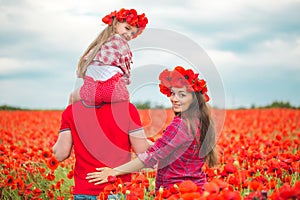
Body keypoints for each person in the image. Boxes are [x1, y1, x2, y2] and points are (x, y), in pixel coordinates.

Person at [86, 66, 219, 191]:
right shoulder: (199, 121)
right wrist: (140, 141)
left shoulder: (181, 124)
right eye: (172, 93)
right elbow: (171, 149)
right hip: (199, 189)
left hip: (176, 192)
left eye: (182, 95)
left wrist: (113, 172)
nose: (174, 99)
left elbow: (151, 157)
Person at [52, 100, 151, 199]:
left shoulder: (71, 111)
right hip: (116, 190)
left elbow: (60, 154)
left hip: (84, 190)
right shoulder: (127, 108)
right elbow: (143, 153)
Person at [69, 8, 148, 105]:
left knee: (72, 97)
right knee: (127, 104)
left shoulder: (97, 47)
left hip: (91, 91)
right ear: (115, 24)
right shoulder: (120, 43)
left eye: (132, 33)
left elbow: (86, 70)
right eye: (127, 28)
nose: (128, 35)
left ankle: (69, 120)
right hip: (112, 91)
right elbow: (123, 74)